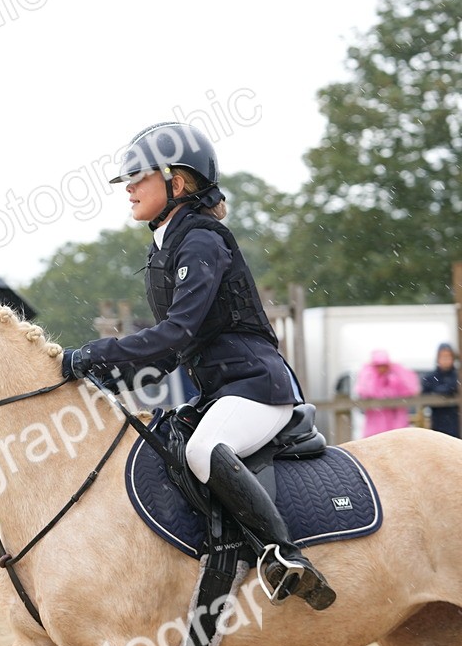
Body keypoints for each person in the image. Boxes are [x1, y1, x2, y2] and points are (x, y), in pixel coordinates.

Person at [61, 122, 335, 610]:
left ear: (178, 182)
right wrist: (103, 381)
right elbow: (170, 355)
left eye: (139, 178)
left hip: (257, 387)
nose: (128, 188)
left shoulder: (202, 240)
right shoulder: (164, 249)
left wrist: (95, 353)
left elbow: (176, 332)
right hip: (221, 392)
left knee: (203, 449)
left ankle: (283, 554)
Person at [354, 349, 421, 437]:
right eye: (378, 366)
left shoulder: (395, 379)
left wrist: (397, 368)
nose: (382, 368)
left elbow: (411, 389)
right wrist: (368, 371)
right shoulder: (370, 380)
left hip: (396, 427)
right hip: (375, 428)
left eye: (384, 365)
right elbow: (365, 391)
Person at [421, 343, 459, 437]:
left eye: (448, 356)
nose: (446, 359)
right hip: (438, 423)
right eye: (443, 356)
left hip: (457, 423)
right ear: (438, 358)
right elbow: (424, 397)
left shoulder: (458, 376)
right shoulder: (430, 378)